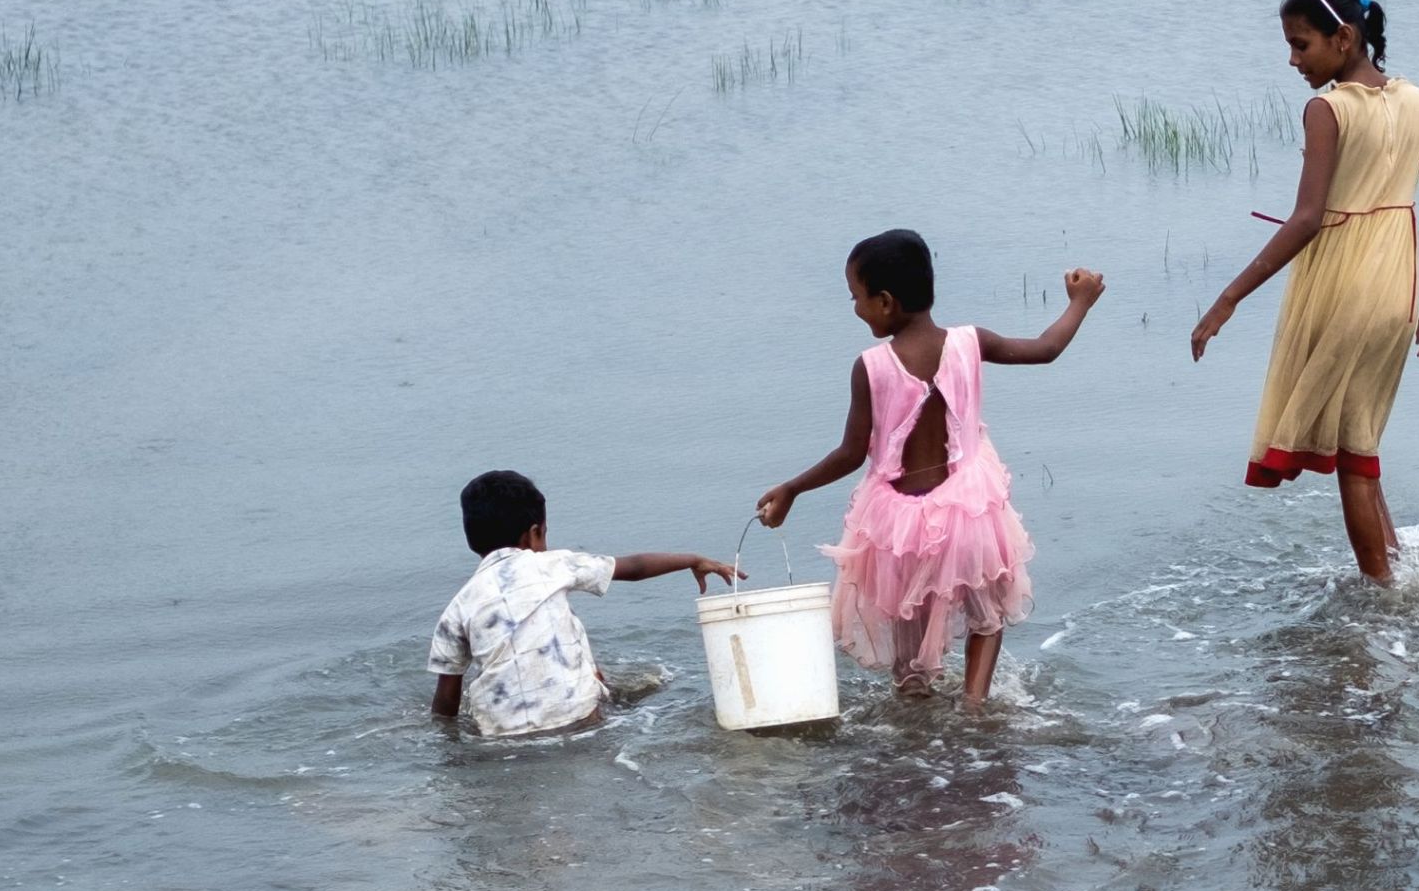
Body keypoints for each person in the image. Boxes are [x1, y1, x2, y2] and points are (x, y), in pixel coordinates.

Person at [1193, 0, 1419, 582]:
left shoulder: (1327, 108)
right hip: (1398, 287)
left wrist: (1227, 298)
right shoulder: (1416, 99)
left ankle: (1383, 598)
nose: (1292, 60)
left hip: (1344, 287)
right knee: (1360, 435)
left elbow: (1308, 219)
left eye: (1301, 45)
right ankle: (1395, 568)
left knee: (1352, 455)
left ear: (1343, 39)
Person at [757, 231, 1103, 702]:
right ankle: (976, 706)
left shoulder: (871, 366)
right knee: (987, 612)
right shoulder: (969, 341)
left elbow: (851, 453)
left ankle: (913, 700)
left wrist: (793, 488)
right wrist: (1080, 301)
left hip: (898, 523)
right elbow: (1045, 348)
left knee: (907, 617)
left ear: (884, 302)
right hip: (964, 511)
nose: (855, 308)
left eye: (856, 298)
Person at [430, 470, 739, 737]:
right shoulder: (554, 564)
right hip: (581, 720)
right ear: (535, 533)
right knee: (648, 683)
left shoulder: (457, 608)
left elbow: (445, 706)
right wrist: (694, 560)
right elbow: (635, 568)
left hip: (502, 738)